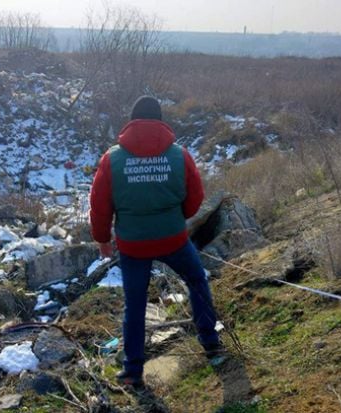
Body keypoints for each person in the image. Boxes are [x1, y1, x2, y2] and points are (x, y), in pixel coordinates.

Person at [89, 96, 222, 388]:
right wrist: (176, 218)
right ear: (160, 121)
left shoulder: (112, 159)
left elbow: (100, 206)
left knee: (134, 304)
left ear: (132, 121)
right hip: (173, 239)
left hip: (133, 247)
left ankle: (132, 370)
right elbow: (195, 198)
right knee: (197, 281)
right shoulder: (180, 155)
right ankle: (211, 342)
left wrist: (102, 240)